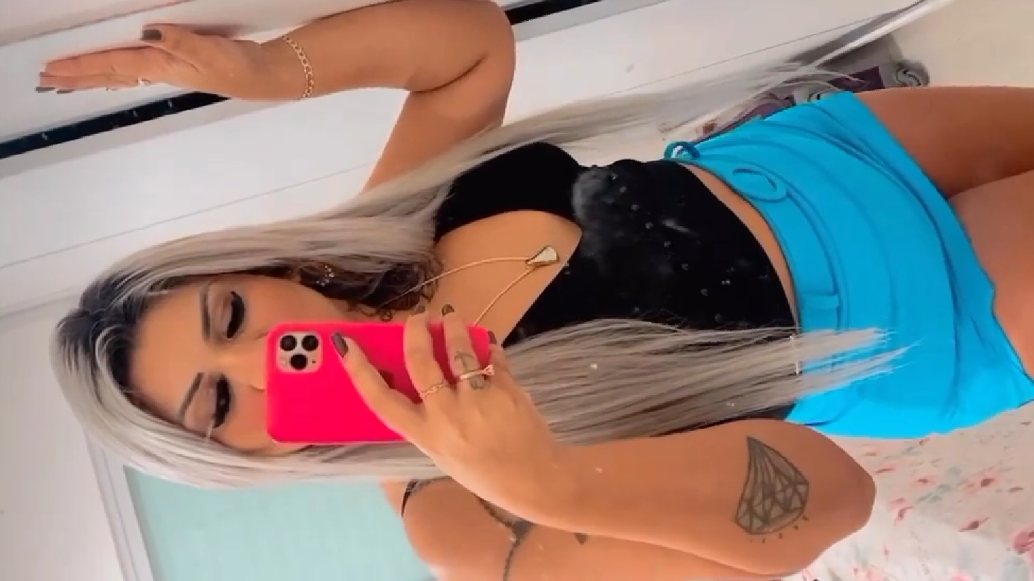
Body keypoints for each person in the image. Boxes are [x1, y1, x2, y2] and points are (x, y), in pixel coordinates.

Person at [44, 0, 1034, 578]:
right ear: (249, 457)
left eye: (229, 316)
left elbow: (469, 46)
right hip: (927, 308)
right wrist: (544, 482)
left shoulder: (400, 229)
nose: (260, 365)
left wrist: (271, 68)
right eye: (219, 403)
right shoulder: (452, 512)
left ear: (259, 272)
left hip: (826, 154)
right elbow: (829, 500)